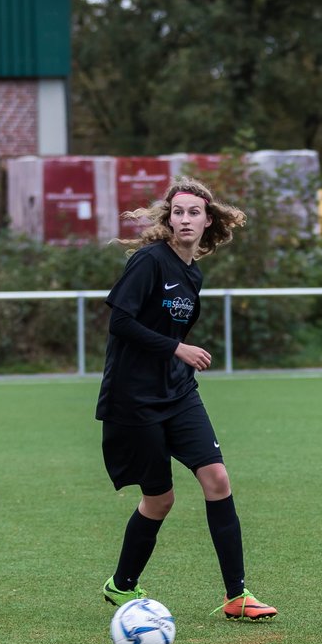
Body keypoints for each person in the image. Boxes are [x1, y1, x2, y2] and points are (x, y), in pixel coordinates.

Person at [96, 177, 277, 621]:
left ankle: (237, 596)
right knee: (160, 500)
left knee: (217, 479)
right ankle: (121, 585)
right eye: (178, 212)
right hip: (133, 398)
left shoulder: (192, 272)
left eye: (194, 212)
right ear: (169, 218)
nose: (185, 219)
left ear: (208, 219)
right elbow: (120, 322)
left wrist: (175, 357)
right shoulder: (149, 262)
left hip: (177, 392)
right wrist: (176, 348)